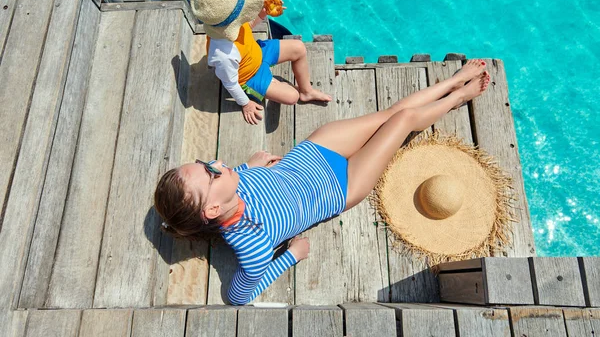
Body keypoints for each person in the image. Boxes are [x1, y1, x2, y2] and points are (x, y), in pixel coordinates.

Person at [154, 60, 490, 305]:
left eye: (203, 162)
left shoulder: (235, 179)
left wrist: (249, 166)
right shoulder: (252, 246)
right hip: (343, 186)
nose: (215, 163)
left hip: (316, 151)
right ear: (213, 208)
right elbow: (237, 297)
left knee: (389, 115)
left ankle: (451, 82)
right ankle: (456, 98)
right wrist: (291, 256)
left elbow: (237, 177)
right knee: (402, 122)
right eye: (210, 172)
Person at [190, 0, 331, 125]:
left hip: (256, 52)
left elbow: (248, 26)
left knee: (299, 48)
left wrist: (263, 13)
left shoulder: (226, 24)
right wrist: (246, 103)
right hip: (250, 76)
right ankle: (267, 85)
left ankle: (307, 91)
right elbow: (231, 83)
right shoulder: (222, 55)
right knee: (292, 97)